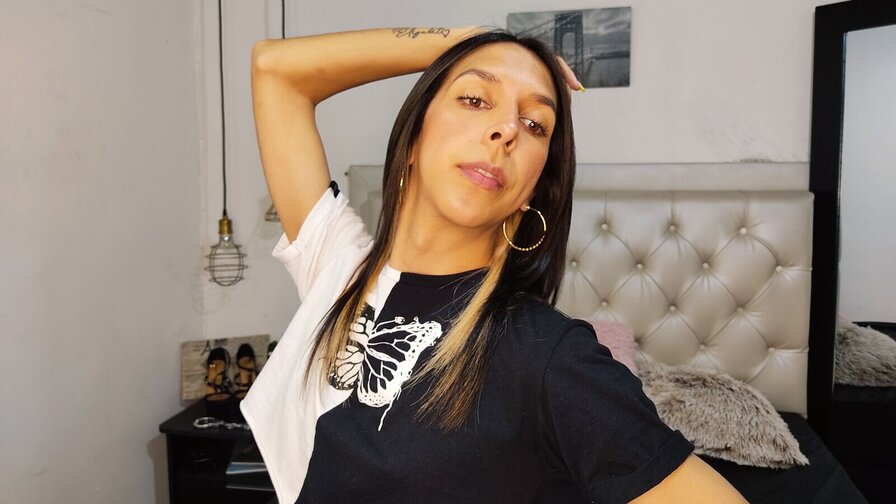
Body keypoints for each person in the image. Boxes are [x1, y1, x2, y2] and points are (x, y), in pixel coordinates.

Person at [242, 26, 746, 504]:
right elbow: (275, 69)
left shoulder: (548, 355)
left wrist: (478, 60)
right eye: (475, 99)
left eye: (535, 125)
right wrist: (466, 41)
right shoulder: (340, 268)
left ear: (531, 190)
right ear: (413, 139)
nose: (507, 130)